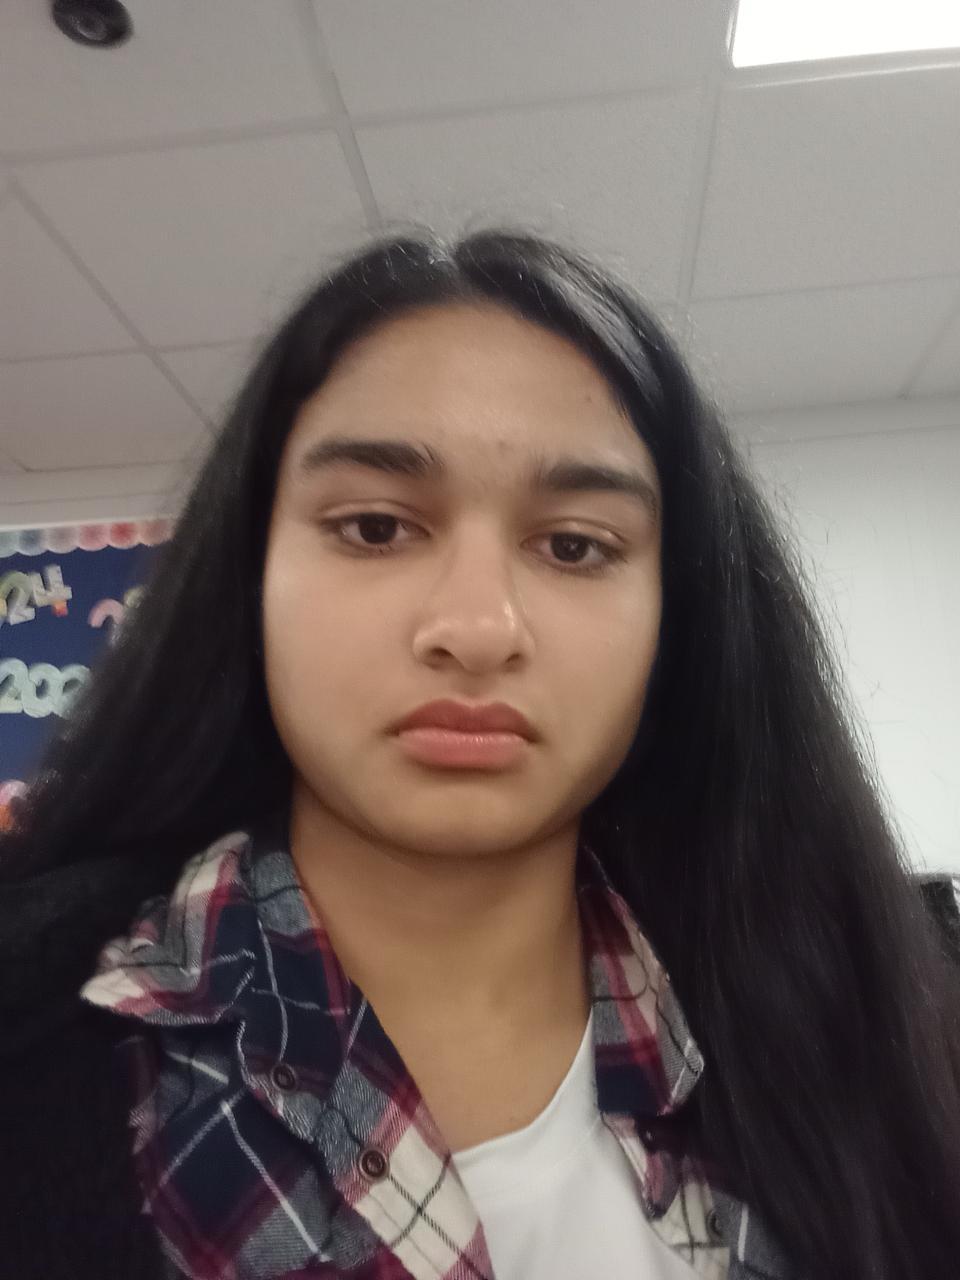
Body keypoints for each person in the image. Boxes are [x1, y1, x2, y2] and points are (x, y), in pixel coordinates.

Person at [1, 229, 958, 1280]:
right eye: (375, 528)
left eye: (575, 545)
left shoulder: (882, 1028)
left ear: (675, 620)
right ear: (250, 576)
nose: (476, 627)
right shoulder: (36, 1017)